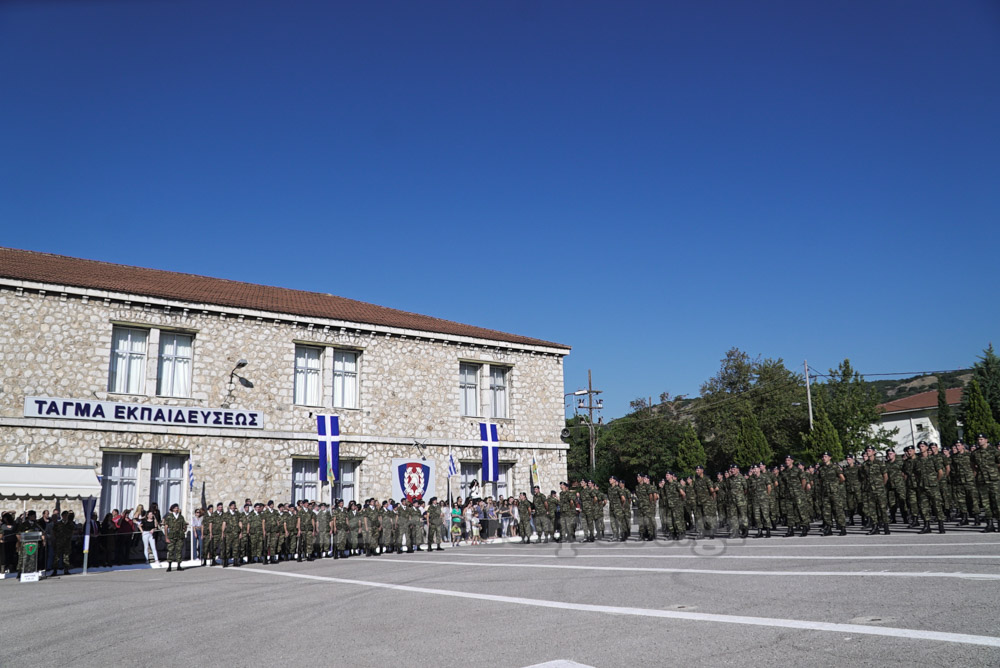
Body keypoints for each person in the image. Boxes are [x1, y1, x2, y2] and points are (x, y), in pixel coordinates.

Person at [162, 503, 187, 571]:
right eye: (175, 508)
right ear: (172, 509)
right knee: (171, 551)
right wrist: (166, 537)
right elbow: (166, 527)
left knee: (179, 550)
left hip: (179, 536)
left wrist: (185, 528)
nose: (176, 509)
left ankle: (179, 565)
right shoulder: (169, 516)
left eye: (177, 508)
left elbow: (184, 525)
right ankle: (169, 565)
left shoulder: (181, 517)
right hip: (172, 536)